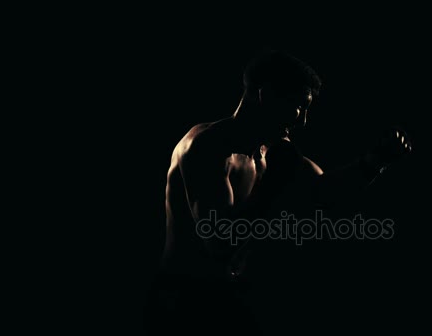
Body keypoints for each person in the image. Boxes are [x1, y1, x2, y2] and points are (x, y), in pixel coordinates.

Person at [148, 50, 412, 335]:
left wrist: (374, 162)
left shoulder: (267, 151)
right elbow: (218, 241)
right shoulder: (207, 148)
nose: (303, 121)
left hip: (224, 299)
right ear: (265, 95)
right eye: (298, 106)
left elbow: (323, 192)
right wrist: (272, 185)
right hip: (181, 300)